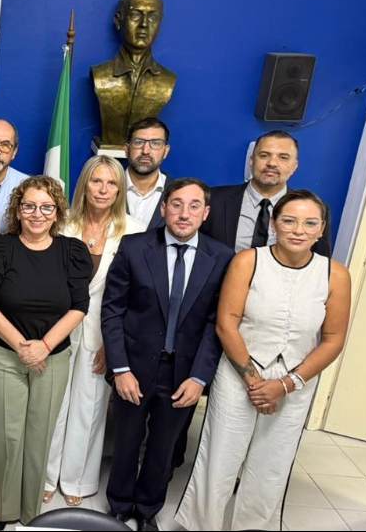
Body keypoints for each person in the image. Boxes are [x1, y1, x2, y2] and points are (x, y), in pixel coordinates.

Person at [176, 191, 351, 531]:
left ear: (321, 230)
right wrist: (255, 383)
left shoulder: (335, 275)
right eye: (289, 221)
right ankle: (201, 525)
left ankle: (254, 526)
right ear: (273, 223)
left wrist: (285, 385)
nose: (298, 230)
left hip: (296, 380)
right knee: (219, 458)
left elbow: (333, 339)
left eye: (309, 223)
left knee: (272, 464)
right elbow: (226, 323)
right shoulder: (248, 261)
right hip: (239, 372)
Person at [102, 178, 233, 531]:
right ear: (164, 209)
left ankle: (147, 509)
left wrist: (200, 377)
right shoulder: (134, 247)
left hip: (183, 373)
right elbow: (112, 310)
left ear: (205, 213)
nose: (184, 213)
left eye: (194, 206)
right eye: (176, 204)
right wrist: (120, 368)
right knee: (126, 441)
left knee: (164, 448)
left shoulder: (221, 257)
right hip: (133, 367)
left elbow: (216, 323)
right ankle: (119, 506)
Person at [0, 175, 90, 528]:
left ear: (57, 212)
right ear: (18, 210)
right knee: (5, 435)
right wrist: (22, 347)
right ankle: (2, 508)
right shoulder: (0, 247)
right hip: (4, 355)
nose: (37, 214)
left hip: (52, 357)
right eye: (29, 206)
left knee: (40, 434)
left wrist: (44, 346)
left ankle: (30, 510)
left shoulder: (72, 252)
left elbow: (79, 306)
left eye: (46, 207)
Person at [43, 156, 145, 507]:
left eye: (111, 183)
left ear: (119, 190)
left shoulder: (134, 231)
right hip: (57, 330)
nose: (103, 189)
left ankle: (77, 479)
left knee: (90, 408)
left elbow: (136, 295)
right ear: (84, 185)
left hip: (103, 334)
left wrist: (114, 346)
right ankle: (46, 474)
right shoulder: (61, 224)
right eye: (96, 181)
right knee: (53, 403)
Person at [203, 130, 331, 256]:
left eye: (283, 157)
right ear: (251, 161)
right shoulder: (213, 200)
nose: (272, 163)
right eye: (264, 155)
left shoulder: (314, 210)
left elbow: (320, 261)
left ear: (294, 166)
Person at [92, 0, 176, 147]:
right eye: (136, 15)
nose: (144, 24)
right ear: (119, 20)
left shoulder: (167, 80)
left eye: (152, 17)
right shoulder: (101, 76)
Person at [125, 117, 172, 229]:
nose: (145, 151)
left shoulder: (178, 192)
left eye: (155, 143)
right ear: (127, 149)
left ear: (165, 151)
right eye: (138, 142)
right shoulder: (105, 188)